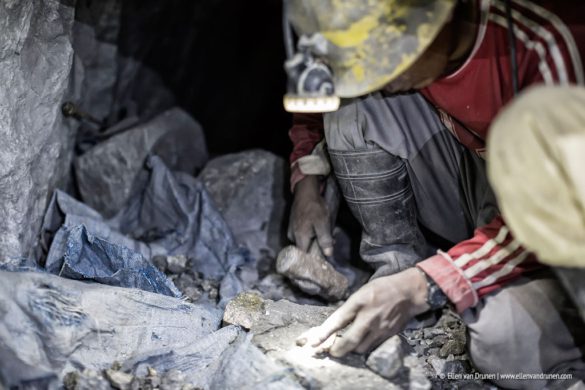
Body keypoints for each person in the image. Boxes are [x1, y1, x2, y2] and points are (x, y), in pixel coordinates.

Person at [284, 0, 585, 388]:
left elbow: (564, 210)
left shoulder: (546, 45)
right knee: (352, 108)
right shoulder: (400, 43)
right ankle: (393, 285)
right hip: (477, 176)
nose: (377, 77)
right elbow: (325, 77)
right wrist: (307, 177)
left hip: (559, 221)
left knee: (507, 346)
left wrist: (428, 284)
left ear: (443, 18)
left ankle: (411, 291)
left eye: (388, 60)